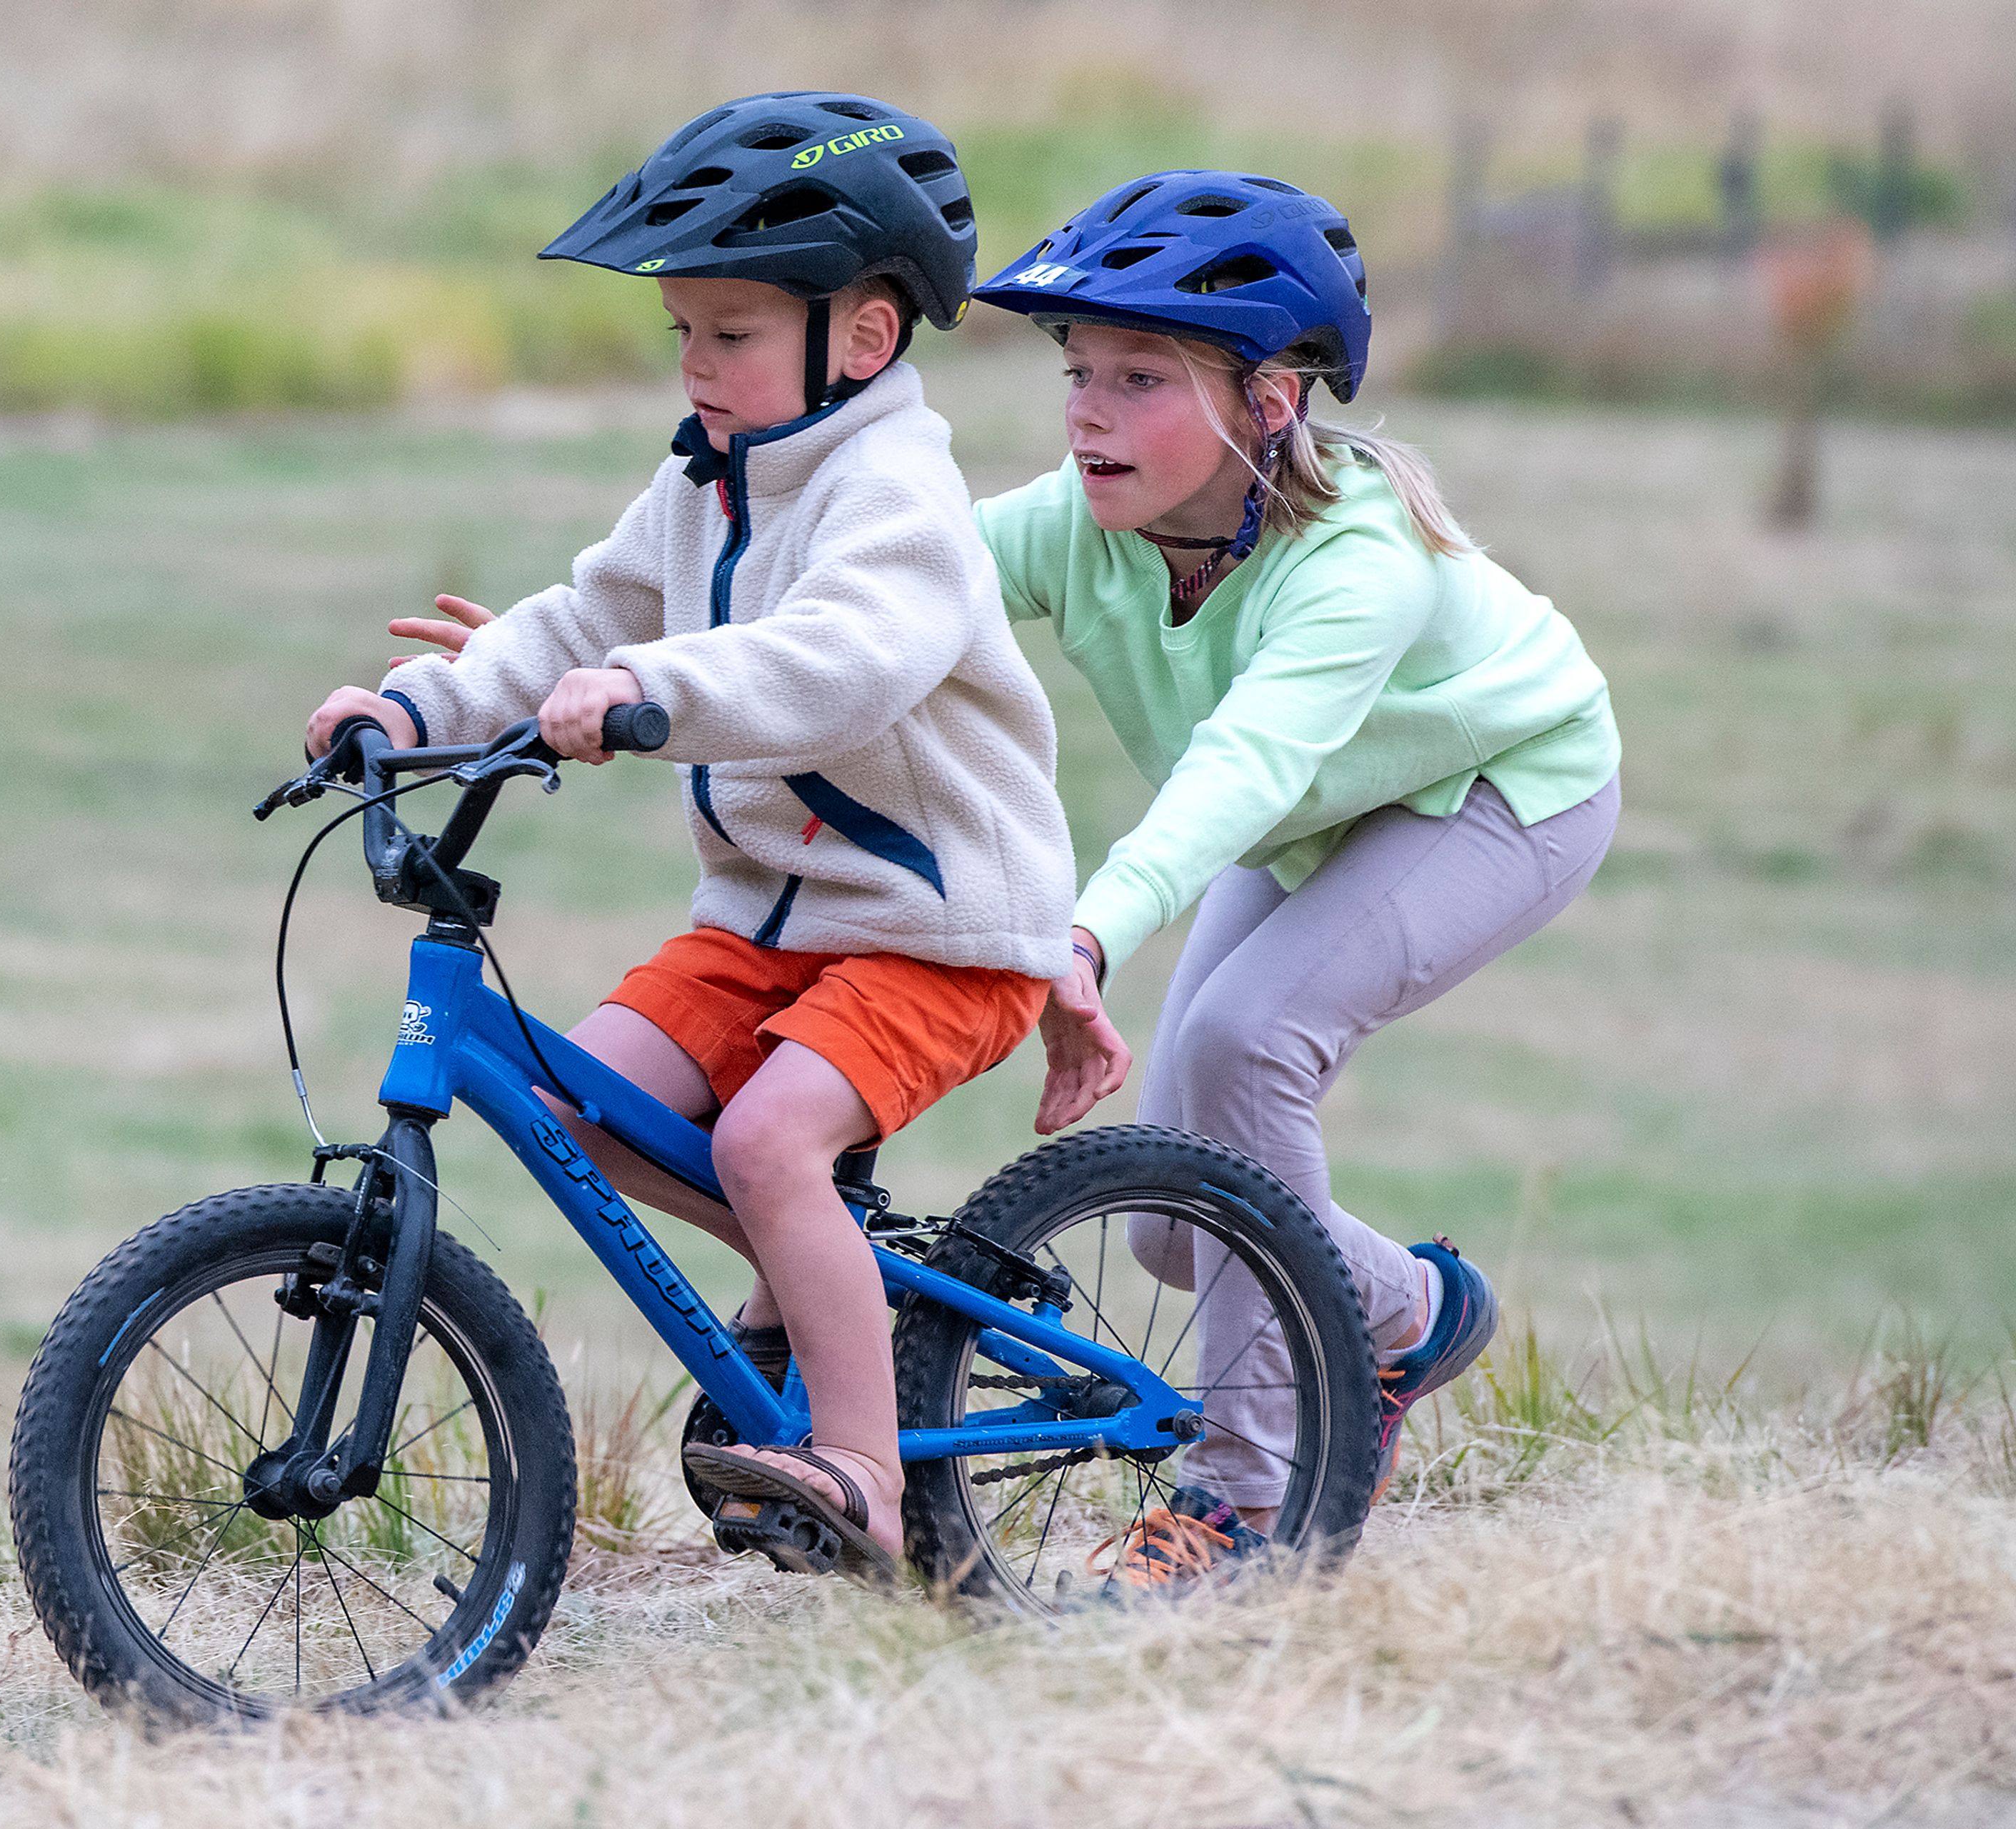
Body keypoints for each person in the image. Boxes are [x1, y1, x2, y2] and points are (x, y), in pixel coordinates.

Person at [306, 93, 1076, 1575]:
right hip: (768, 922)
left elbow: (846, 655)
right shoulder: (704, 477)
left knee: (771, 1138)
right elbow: (585, 614)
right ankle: (822, 1276)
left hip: (939, 924)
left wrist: (655, 690)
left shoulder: (894, 491)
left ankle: (862, 1467)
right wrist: (415, 708)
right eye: (682, 333)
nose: (696, 364)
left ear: (860, 336)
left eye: (729, 332)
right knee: (584, 1102)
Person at [968, 169, 1623, 1583]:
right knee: (1168, 1223)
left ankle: (1245, 1502)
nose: (1084, 408)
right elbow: (882, 591)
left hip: (1507, 787)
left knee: (1247, 1038)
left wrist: (1089, 931)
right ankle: (1409, 1310)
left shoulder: (1356, 559)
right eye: (1078, 371)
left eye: (1140, 375)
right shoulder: (1080, 523)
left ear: (1269, 402)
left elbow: (1244, 770)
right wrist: (615, 649)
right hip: (1331, 814)